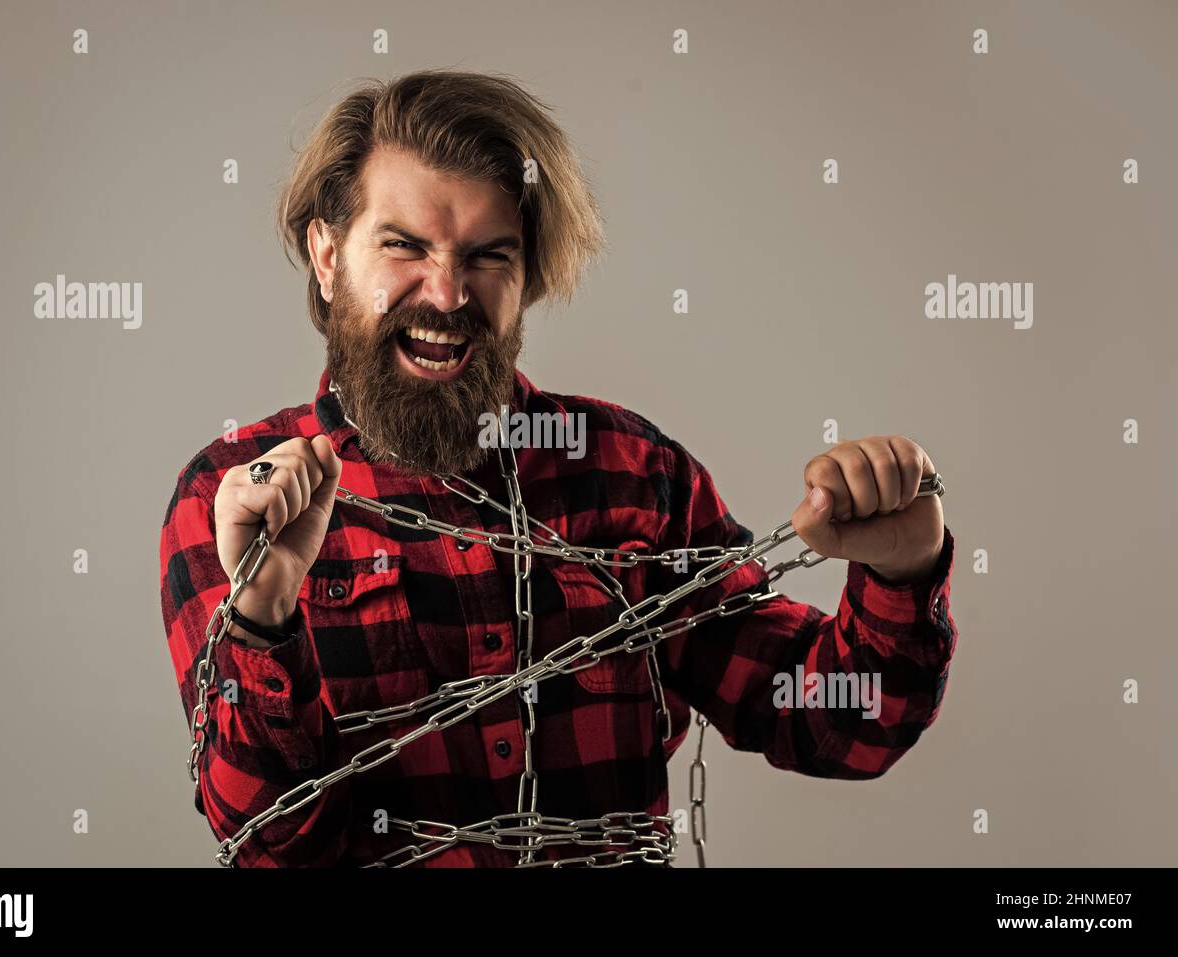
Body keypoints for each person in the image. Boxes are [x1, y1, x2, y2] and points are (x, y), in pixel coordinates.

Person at [158, 68, 958, 868]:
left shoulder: (634, 473)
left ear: (526, 274)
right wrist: (263, 617)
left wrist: (903, 569)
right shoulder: (231, 500)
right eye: (403, 245)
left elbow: (835, 726)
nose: (445, 293)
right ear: (328, 255)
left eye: (487, 254)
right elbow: (268, 844)